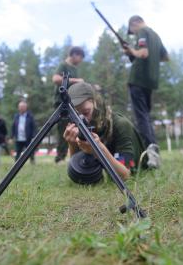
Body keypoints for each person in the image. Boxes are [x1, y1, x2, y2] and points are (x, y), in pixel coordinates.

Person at [63, 82, 149, 180]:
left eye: (86, 113)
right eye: (76, 115)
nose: (83, 120)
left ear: (94, 102)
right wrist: (72, 144)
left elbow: (125, 175)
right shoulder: (82, 124)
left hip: (136, 168)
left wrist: (99, 149)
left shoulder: (120, 125)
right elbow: (78, 172)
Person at [122, 15, 169, 169]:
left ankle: (150, 155)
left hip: (137, 80)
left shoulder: (142, 31)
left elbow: (143, 53)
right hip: (150, 82)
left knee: (141, 118)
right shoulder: (156, 36)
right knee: (146, 118)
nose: (134, 33)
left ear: (134, 24)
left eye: (132, 31)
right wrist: (134, 54)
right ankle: (153, 153)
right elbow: (165, 57)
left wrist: (131, 51)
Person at [52, 46, 85, 163]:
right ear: (74, 54)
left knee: (75, 129)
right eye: (80, 57)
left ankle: (75, 157)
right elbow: (55, 79)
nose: (80, 60)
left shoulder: (74, 68)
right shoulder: (63, 65)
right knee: (63, 131)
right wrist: (76, 81)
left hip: (73, 103)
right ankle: (60, 158)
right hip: (61, 103)